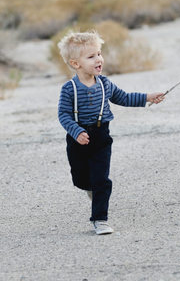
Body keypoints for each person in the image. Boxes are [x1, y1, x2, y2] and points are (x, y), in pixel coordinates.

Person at [57, 31, 164, 235]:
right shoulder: (69, 88)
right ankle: (93, 191)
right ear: (75, 63)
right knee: (80, 179)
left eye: (99, 53)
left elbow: (123, 97)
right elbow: (63, 115)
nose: (98, 59)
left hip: (101, 137)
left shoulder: (105, 83)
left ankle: (100, 219)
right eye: (91, 56)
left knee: (101, 180)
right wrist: (76, 131)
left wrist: (148, 97)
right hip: (77, 138)